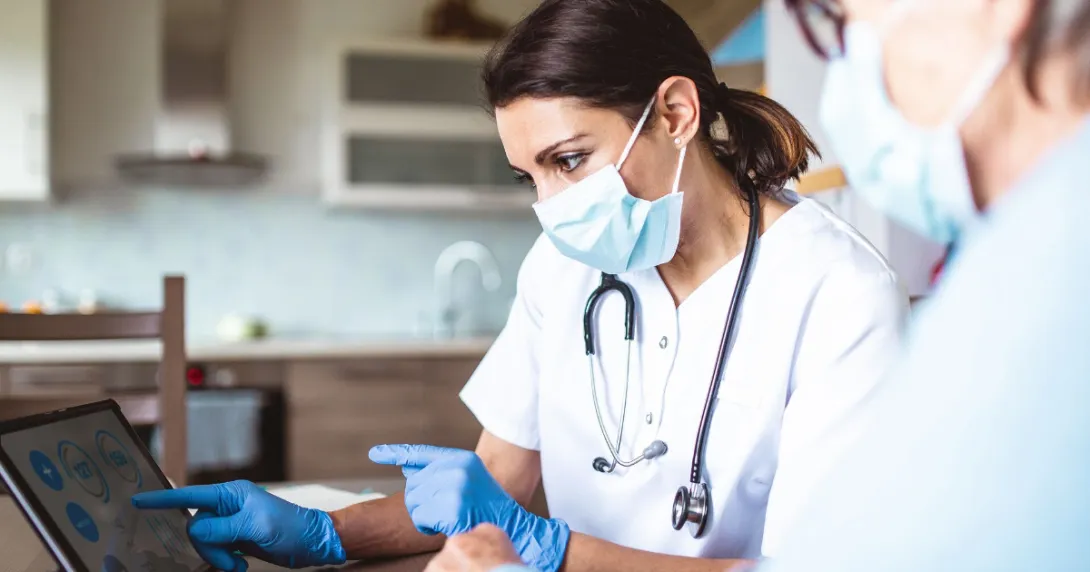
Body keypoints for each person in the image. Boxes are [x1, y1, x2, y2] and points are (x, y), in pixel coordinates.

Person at [131, 1, 910, 570]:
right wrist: (323, 535)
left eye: (569, 160)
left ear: (675, 112)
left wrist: (553, 549)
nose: (552, 206)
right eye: (528, 174)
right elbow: (499, 481)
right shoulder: (564, 268)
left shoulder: (837, 296)